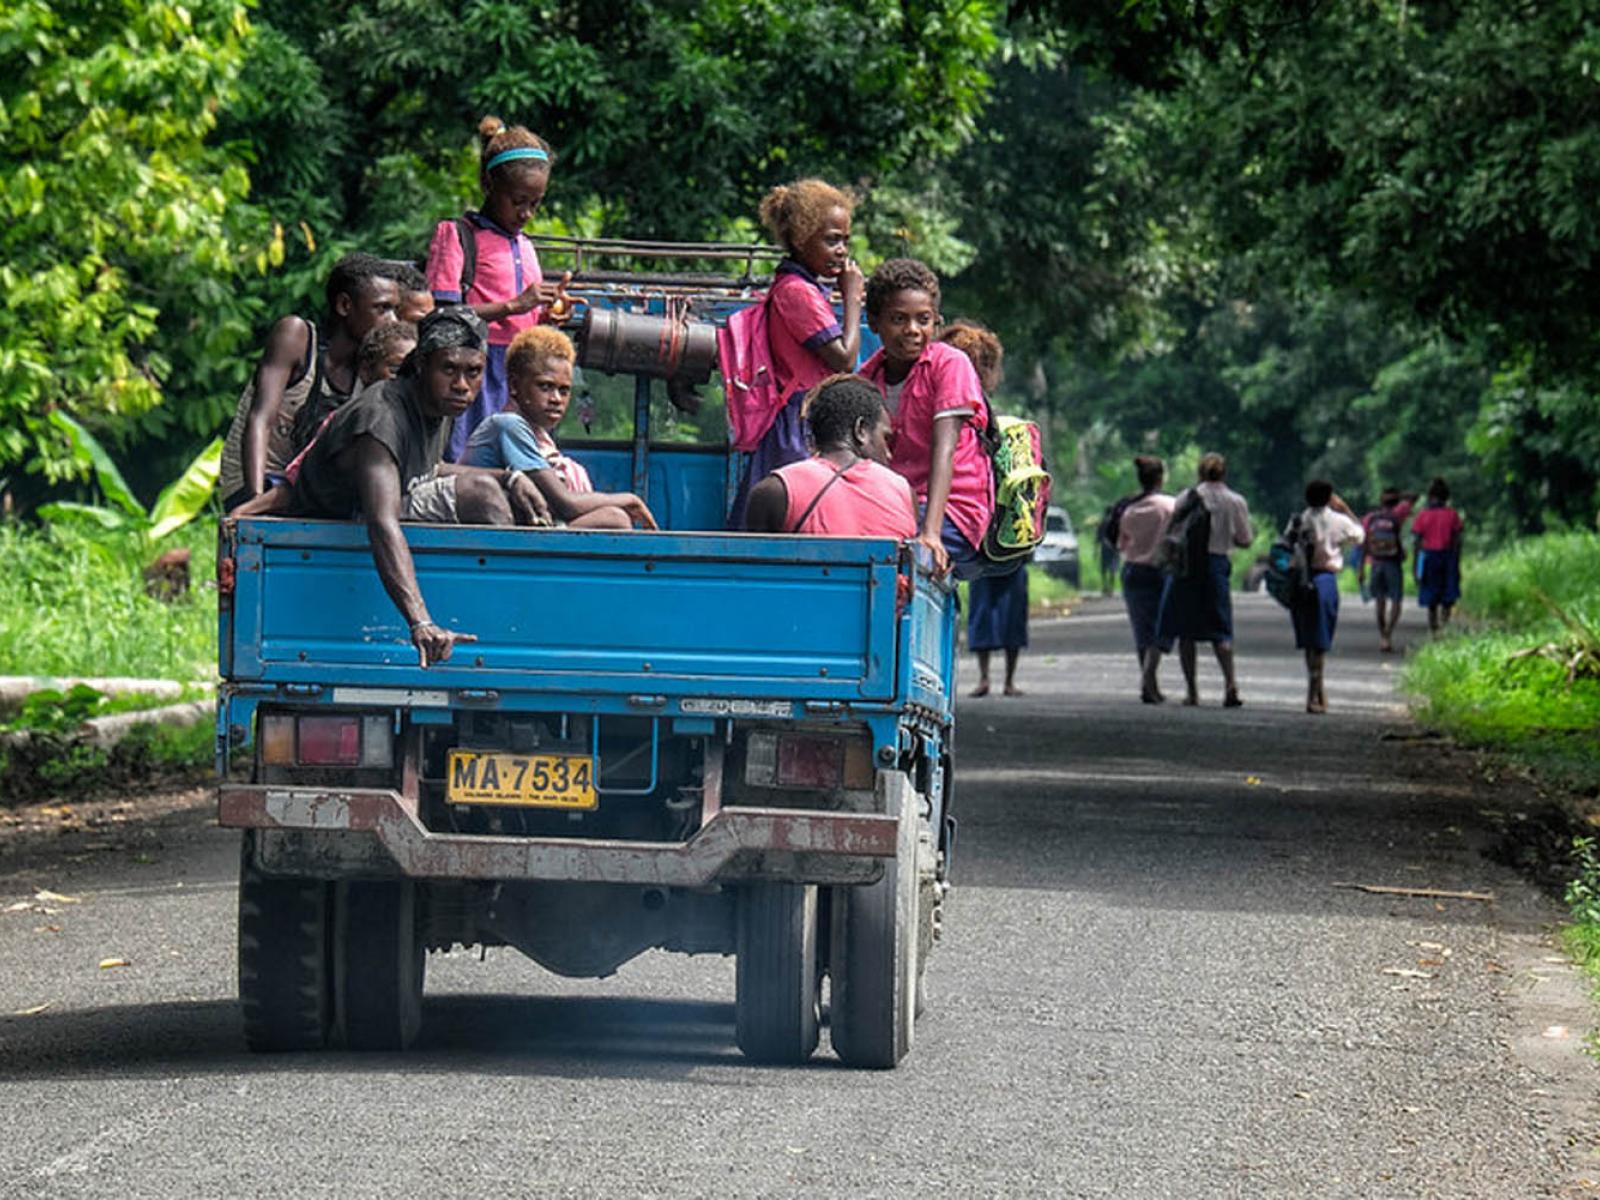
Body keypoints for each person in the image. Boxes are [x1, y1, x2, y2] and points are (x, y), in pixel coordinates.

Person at [285, 307, 553, 666]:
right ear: (421, 365)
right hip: (341, 521)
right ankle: (506, 626)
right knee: (483, 496)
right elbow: (382, 521)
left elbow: (428, 468)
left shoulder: (438, 405)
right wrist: (420, 621)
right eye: (449, 370)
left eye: (473, 372)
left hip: (385, 503)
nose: (462, 385)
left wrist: (513, 477)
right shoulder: (380, 418)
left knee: (503, 490)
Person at [425, 116, 572, 462]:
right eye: (519, 200)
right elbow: (440, 314)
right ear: (490, 185)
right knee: (464, 458)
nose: (527, 213)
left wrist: (548, 314)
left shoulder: (526, 246)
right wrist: (513, 306)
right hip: (474, 368)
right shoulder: (457, 234)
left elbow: (527, 314)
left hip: (519, 375)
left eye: (536, 203)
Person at [729, 179, 864, 527]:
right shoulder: (796, 292)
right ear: (802, 238)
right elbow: (844, 358)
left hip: (805, 418)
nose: (842, 251)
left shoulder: (805, 288)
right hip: (796, 426)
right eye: (832, 240)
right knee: (797, 516)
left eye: (845, 241)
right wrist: (851, 297)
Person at [218, 252, 401, 509]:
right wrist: (254, 500)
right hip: (257, 479)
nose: (392, 321)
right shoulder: (296, 336)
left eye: (395, 310)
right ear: (345, 305)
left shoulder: (370, 368)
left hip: (308, 487)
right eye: (382, 309)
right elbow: (261, 419)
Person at [859, 259, 997, 581]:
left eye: (924, 320)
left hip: (951, 512)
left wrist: (931, 534)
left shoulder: (950, 364)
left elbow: (944, 450)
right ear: (874, 322)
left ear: (936, 321)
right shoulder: (866, 379)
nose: (912, 330)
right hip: (898, 506)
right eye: (898, 319)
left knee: (875, 536)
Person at [461, 326, 657, 529]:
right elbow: (566, 504)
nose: (556, 399)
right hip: (491, 536)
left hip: (515, 531)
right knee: (614, 519)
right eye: (545, 387)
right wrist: (631, 500)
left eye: (564, 391)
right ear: (514, 385)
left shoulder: (540, 437)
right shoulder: (508, 425)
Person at [935, 320, 1027, 696]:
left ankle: (984, 678)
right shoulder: (998, 424)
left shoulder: (953, 414)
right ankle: (1004, 680)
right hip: (998, 538)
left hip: (959, 532)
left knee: (974, 612)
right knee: (1009, 617)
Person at [744, 374, 916, 538]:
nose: (888, 453)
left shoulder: (775, 491)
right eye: (885, 438)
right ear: (861, 430)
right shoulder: (904, 493)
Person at [1157, 452, 1253, 706]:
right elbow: (1245, 540)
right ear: (1224, 473)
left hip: (1187, 568)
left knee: (1186, 632)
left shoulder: (1186, 497)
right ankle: (1230, 685)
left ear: (1200, 473)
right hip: (1216, 566)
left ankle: (1192, 691)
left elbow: (1174, 532)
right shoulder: (1235, 501)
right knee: (1221, 630)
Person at [1290, 481, 1365, 713]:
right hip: (1325, 580)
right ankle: (1314, 696)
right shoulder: (1338, 520)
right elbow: (1359, 535)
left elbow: (1288, 542)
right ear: (1329, 498)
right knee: (1320, 642)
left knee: (1309, 640)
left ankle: (1317, 691)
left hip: (1301, 581)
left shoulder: (1299, 520)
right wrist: (1345, 509)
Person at [1116, 455, 1177, 703]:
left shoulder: (1130, 510)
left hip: (1134, 571)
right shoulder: (1171, 507)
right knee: (1161, 628)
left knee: (1142, 629)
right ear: (1160, 478)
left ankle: (1149, 682)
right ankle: (1149, 680)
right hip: (1161, 571)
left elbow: (1122, 544)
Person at [1358, 486, 1416, 652]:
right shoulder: (1396, 517)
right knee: (1396, 600)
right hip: (1393, 564)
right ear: (1396, 502)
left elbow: (1365, 544)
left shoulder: (1371, 518)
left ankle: (1383, 635)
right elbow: (1397, 540)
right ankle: (1389, 633)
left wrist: (1361, 568)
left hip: (1376, 563)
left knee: (1380, 601)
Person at [1411, 476, 1464, 632]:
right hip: (1448, 556)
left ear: (1430, 496)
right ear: (1446, 497)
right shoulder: (1452, 514)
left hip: (1430, 557)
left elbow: (1417, 543)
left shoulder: (1423, 515)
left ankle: (1434, 629)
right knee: (1448, 594)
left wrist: (1415, 567)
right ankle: (1445, 625)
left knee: (1431, 596)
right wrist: (1457, 562)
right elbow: (1457, 541)